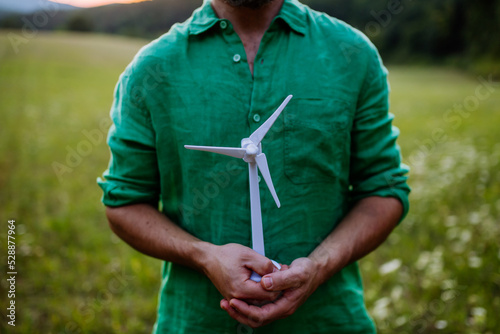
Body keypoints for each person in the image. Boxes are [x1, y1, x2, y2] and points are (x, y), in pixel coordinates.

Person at [98, 0, 410, 332]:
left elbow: (384, 189)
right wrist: (203, 256)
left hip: (329, 321)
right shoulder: (152, 68)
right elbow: (125, 202)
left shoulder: (353, 55)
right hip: (195, 323)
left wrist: (320, 266)